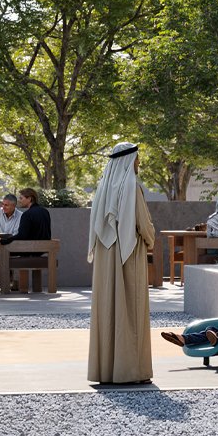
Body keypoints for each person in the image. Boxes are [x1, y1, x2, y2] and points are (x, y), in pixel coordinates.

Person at [87, 142, 155, 385]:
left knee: (107, 310)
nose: (139, 163)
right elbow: (143, 225)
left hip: (106, 258)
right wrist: (150, 240)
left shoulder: (102, 188)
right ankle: (132, 371)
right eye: (137, 159)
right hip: (129, 255)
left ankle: (105, 371)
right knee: (131, 310)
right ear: (129, 160)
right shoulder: (131, 187)